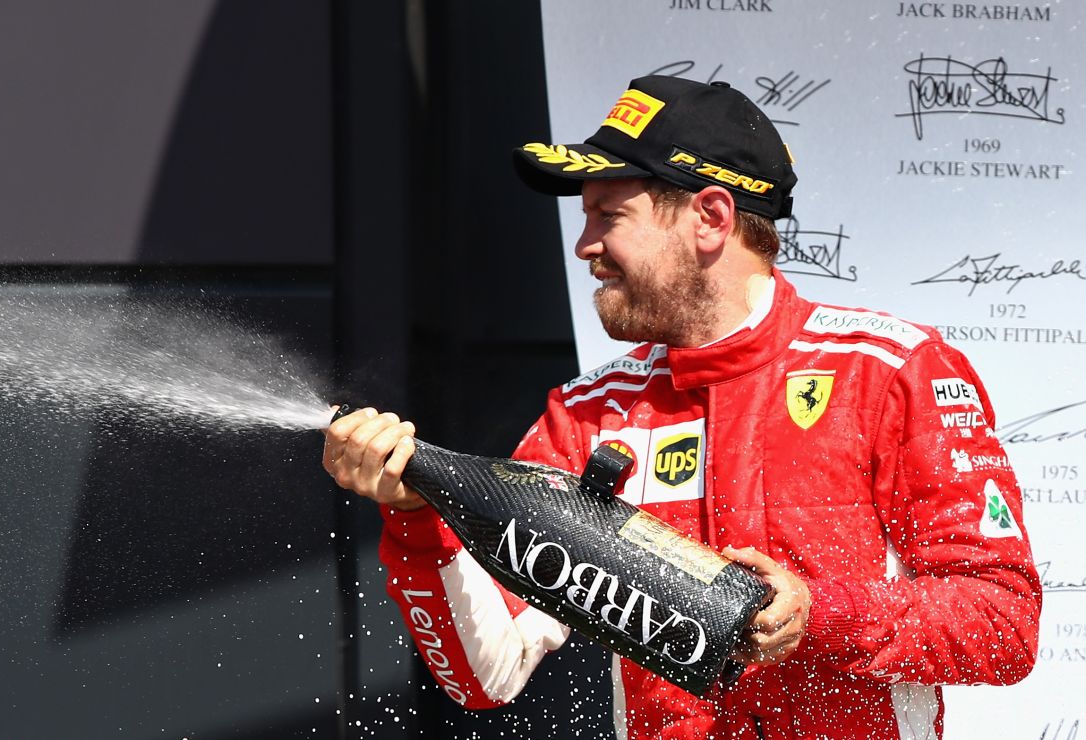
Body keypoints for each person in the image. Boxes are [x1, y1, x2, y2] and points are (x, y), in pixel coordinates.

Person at [323, 75, 1041, 739]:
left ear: (710, 216)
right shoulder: (587, 414)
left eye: (610, 214)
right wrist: (417, 522)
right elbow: (486, 675)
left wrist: (819, 615)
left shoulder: (886, 372)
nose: (584, 245)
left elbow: (1005, 625)